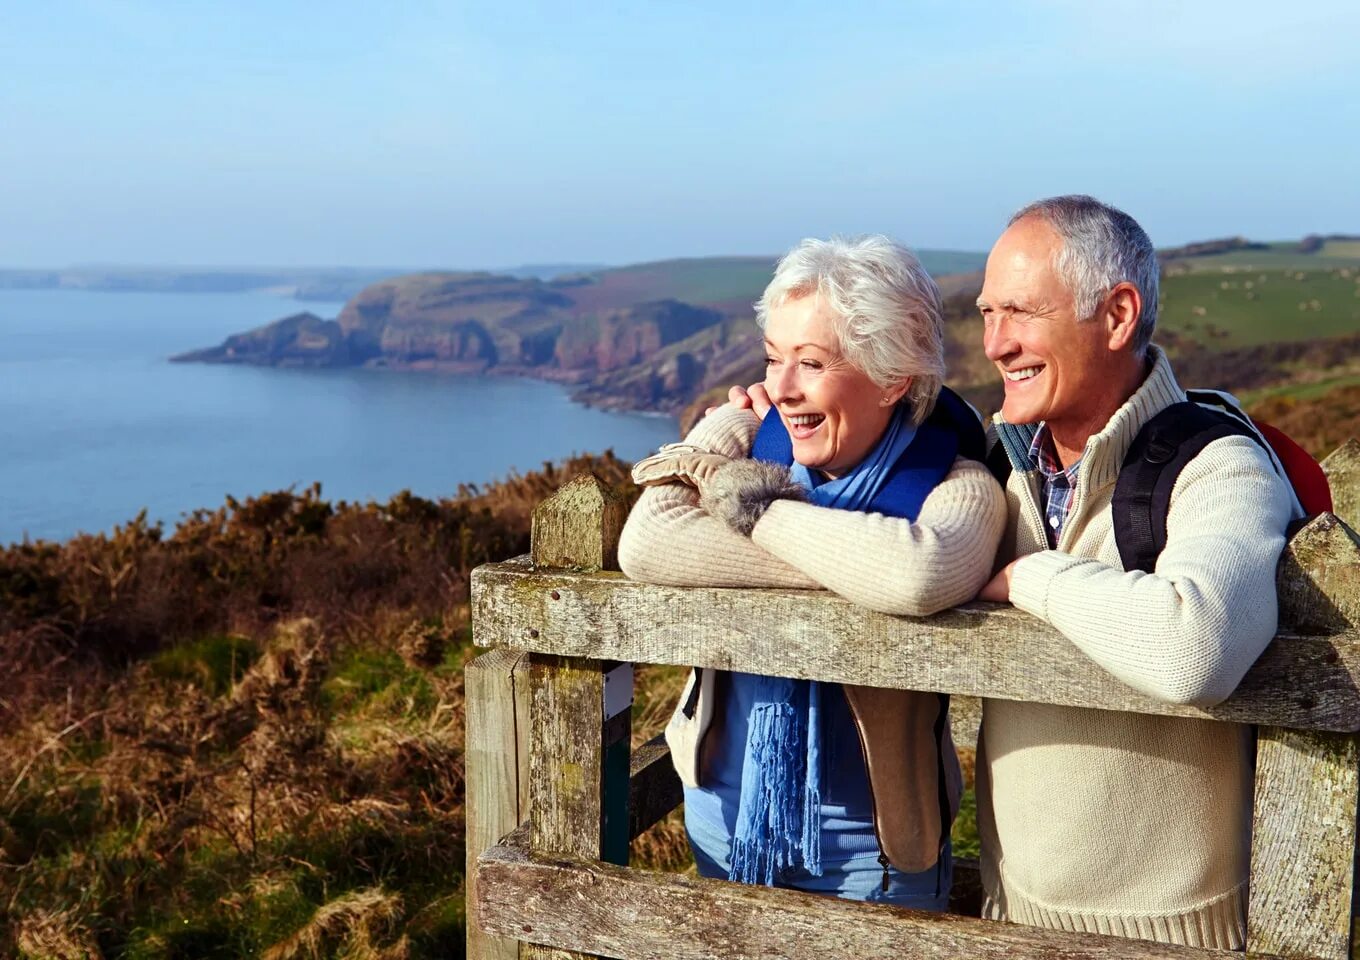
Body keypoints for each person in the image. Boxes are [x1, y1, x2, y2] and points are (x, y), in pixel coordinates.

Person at [618, 235, 1006, 909]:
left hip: (875, 856)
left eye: (812, 363)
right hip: (723, 822)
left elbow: (916, 574)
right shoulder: (754, 438)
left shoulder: (957, 485)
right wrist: (727, 423)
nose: (783, 389)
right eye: (773, 359)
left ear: (894, 377)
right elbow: (647, 543)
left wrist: (746, 508)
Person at [973, 196, 1300, 948]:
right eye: (988, 313)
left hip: (1171, 934)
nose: (994, 343)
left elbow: (1197, 647)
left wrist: (1033, 578)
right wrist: (753, 425)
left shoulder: (1220, 465)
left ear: (1118, 315)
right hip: (1004, 914)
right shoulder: (1000, 464)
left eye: (1019, 312)